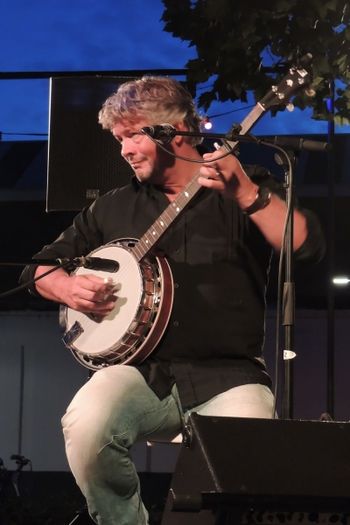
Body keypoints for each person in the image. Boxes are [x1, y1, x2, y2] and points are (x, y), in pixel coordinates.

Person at [20, 76, 325, 525]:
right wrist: (66, 286)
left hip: (229, 373)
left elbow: (306, 245)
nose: (123, 150)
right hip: (142, 373)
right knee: (87, 424)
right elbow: (38, 269)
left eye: (133, 134)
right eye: (118, 139)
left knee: (248, 460)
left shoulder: (243, 186)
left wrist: (246, 194)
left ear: (177, 130)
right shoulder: (111, 208)